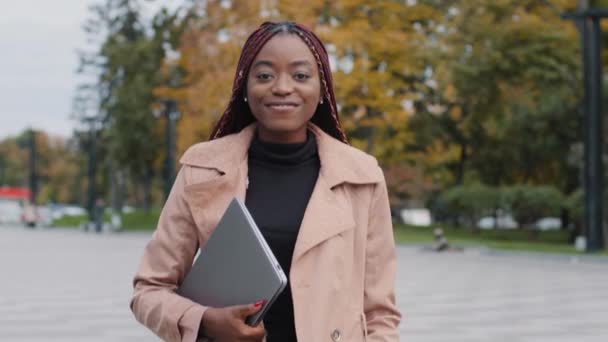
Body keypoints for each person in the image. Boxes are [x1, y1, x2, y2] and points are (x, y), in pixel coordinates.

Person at [130, 21, 401, 342]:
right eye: (264, 75)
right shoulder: (201, 169)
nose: (282, 87)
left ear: (323, 90)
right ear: (244, 88)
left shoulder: (362, 176)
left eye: (300, 75)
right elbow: (149, 290)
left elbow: (380, 313)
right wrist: (204, 321)